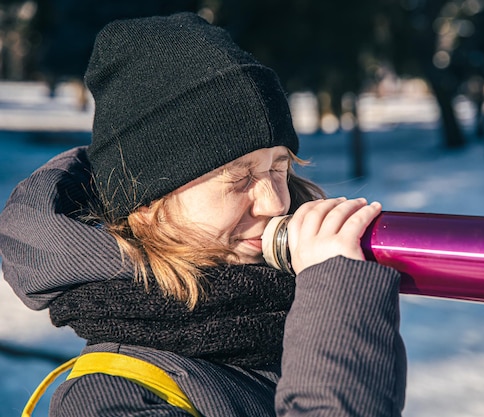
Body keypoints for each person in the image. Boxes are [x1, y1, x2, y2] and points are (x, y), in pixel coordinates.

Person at [0, 12, 407, 417]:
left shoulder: (276, 321)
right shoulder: (109, 398)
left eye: (279, 167)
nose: (276, 203)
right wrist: (337, 307)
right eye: (239, 177)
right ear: (147, 204)